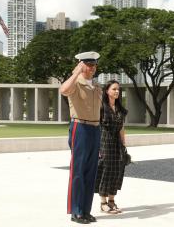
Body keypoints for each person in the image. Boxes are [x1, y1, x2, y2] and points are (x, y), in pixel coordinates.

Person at [60, 51, 102, 224]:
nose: (92, 68)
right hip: (80, 127)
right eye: (88, 64)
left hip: (95, 128)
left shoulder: (97, 86)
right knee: (78, 171)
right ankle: (76, 211)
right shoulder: (75, 83)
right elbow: (63, 90)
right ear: (81, 64)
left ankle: (86, 210)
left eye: (94, 65)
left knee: (91, 172)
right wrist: (75, 72)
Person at [95, 80, 128, 214]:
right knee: (106, 170)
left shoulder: (120, 109)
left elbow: (122, 128)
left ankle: (112, 201)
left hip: (117, 144)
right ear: (107, 91)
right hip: (104, 142)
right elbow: (96, 127)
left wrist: (124, 144)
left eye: (118, 90)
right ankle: (103, 203)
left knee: (117, 171)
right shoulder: (101, 107)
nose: (117, 92)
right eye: (114, 89)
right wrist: (97, 147)